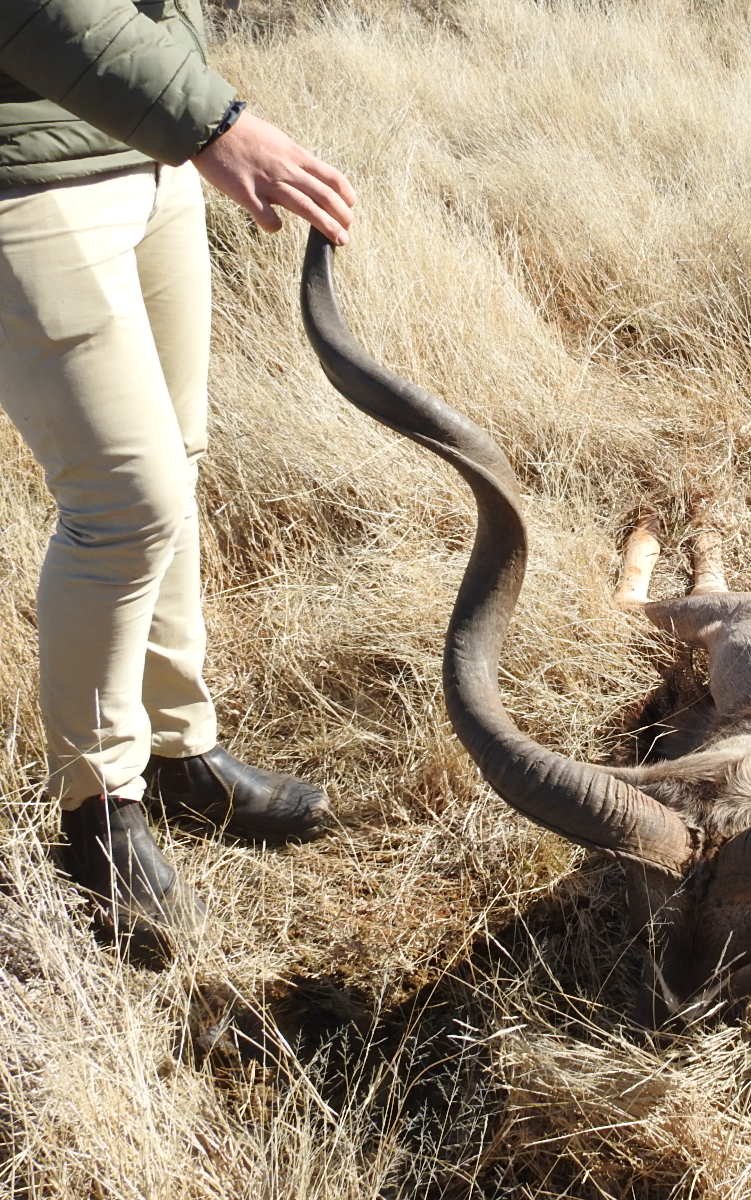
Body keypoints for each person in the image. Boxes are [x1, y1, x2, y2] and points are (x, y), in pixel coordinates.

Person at [0, 0, 358, 958]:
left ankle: (175, 749)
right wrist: (214, 122)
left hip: (147, 152)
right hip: (25, 176)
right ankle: (96, 812)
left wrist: (182, 122)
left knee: (177, 466)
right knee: (124, 499)